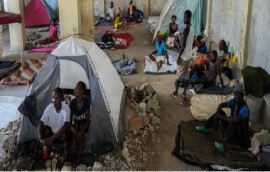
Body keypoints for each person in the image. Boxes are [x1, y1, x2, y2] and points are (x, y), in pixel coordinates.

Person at [195, 83, 251, 152]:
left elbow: (235, 119)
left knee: (233, 120)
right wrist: (217, 116)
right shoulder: (234, 101)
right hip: (232, 128)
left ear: (243, 95)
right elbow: (220, 105)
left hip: (239, 134)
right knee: (220, 112)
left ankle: (223, 144)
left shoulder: (245, 108)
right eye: (235, 94)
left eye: (239, 94)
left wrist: (220, 117)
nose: (237, 96)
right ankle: (206, 127)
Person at [39, 88, 71, 163]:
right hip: (51, 134)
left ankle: (66, 160)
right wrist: (41, 138)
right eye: (53, 97)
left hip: (59, 134)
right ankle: (37, 158)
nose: (54, 99)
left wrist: (52, 139)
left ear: (62, 98)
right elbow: (40, 123)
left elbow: (66, 125)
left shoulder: (66, 108)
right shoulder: (49, 107)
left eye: (57, 97)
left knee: (65, 135)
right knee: (43, 131)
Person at [171, 10, 194, 98]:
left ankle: (176, 92)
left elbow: (183, 46)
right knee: (187, 75)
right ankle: (184, 92)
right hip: (189, 55)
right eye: (184, 17)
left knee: (178, 75)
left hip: (184, 56)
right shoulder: (192, 28)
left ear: (188, 18)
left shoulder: (186, 29)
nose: (184, 19)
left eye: (185, 17)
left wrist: (179, 56)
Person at [70, 81, 91, 166]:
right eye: (75, 88)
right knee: (75, 136)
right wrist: (75, 132)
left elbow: (88, 120)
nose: (75, 90)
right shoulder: (73, 102)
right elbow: (69, 120)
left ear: (82, 91)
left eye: (77, 88)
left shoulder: (86, 102)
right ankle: (73, 155)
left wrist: (81, 132)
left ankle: (78, 156)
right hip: (76, 124)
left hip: (84, 124)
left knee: (81, 135)